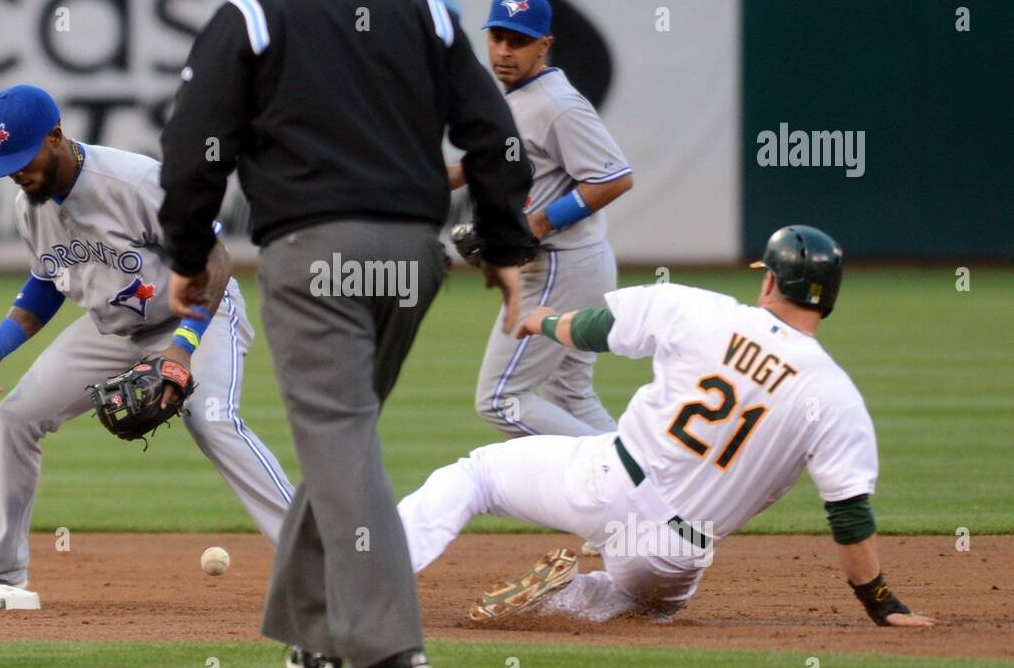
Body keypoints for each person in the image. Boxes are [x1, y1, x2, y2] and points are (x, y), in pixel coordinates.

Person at [158, 0, 535, 668]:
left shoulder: (253, 14)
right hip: (413, 253)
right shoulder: (426, 13)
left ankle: (385, 646)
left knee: (339, 439)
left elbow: (192, 151)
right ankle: (314, 631)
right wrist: (505, 247)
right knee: (346, 437)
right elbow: (493, 135)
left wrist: (187, 256)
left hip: (313, 253)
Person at [398, 226, 934, 629]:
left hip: (607, 485)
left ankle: (368, 570)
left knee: (475, 476)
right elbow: (848, 511)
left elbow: (593, 328)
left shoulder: (702, 310)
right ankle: (566, 603)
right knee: (639, 603)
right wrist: (881, 602)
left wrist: (538, 319)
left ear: (771, 279)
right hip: (674, 560)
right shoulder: (834, 394)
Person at [0, 84, 293, 587]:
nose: (18, 174)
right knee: (17, 417)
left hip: (197, 315)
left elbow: (214, 258)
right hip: (112, 326)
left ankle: (316, 560)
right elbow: (48, 280)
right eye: (6, 165)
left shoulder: (133, 183)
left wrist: (184, 347)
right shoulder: (32, 205)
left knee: (211, 418)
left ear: (55, 137)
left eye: (24, 159)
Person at [451, 0, 633, 440]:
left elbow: (613, 178)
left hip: (560, 265)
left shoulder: (558, 103)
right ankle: (642, 485)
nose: (505, 51)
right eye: (498, 38)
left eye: (519, 41)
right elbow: (487, 164)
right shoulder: (517, 98)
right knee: (569, 396)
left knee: (500, 400)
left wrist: (539, 222)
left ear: (544, 45)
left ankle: (611, 479)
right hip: (574, 264)